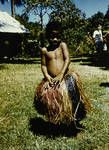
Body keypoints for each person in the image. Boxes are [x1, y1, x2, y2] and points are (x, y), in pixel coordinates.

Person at [34, 21, 91, 126]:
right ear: (47, 36)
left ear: (60, 36)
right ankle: (56, 118)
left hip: (65, 76)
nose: (55, 39)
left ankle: (75, 116)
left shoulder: (62, 45)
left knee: (71, 93)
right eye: (52, 37)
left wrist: (61, 74)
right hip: (51, 79)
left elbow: (67, 59)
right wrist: (47, 76)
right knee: (48, 97)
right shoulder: (44, 50)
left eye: (57, 36)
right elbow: (43, 65)